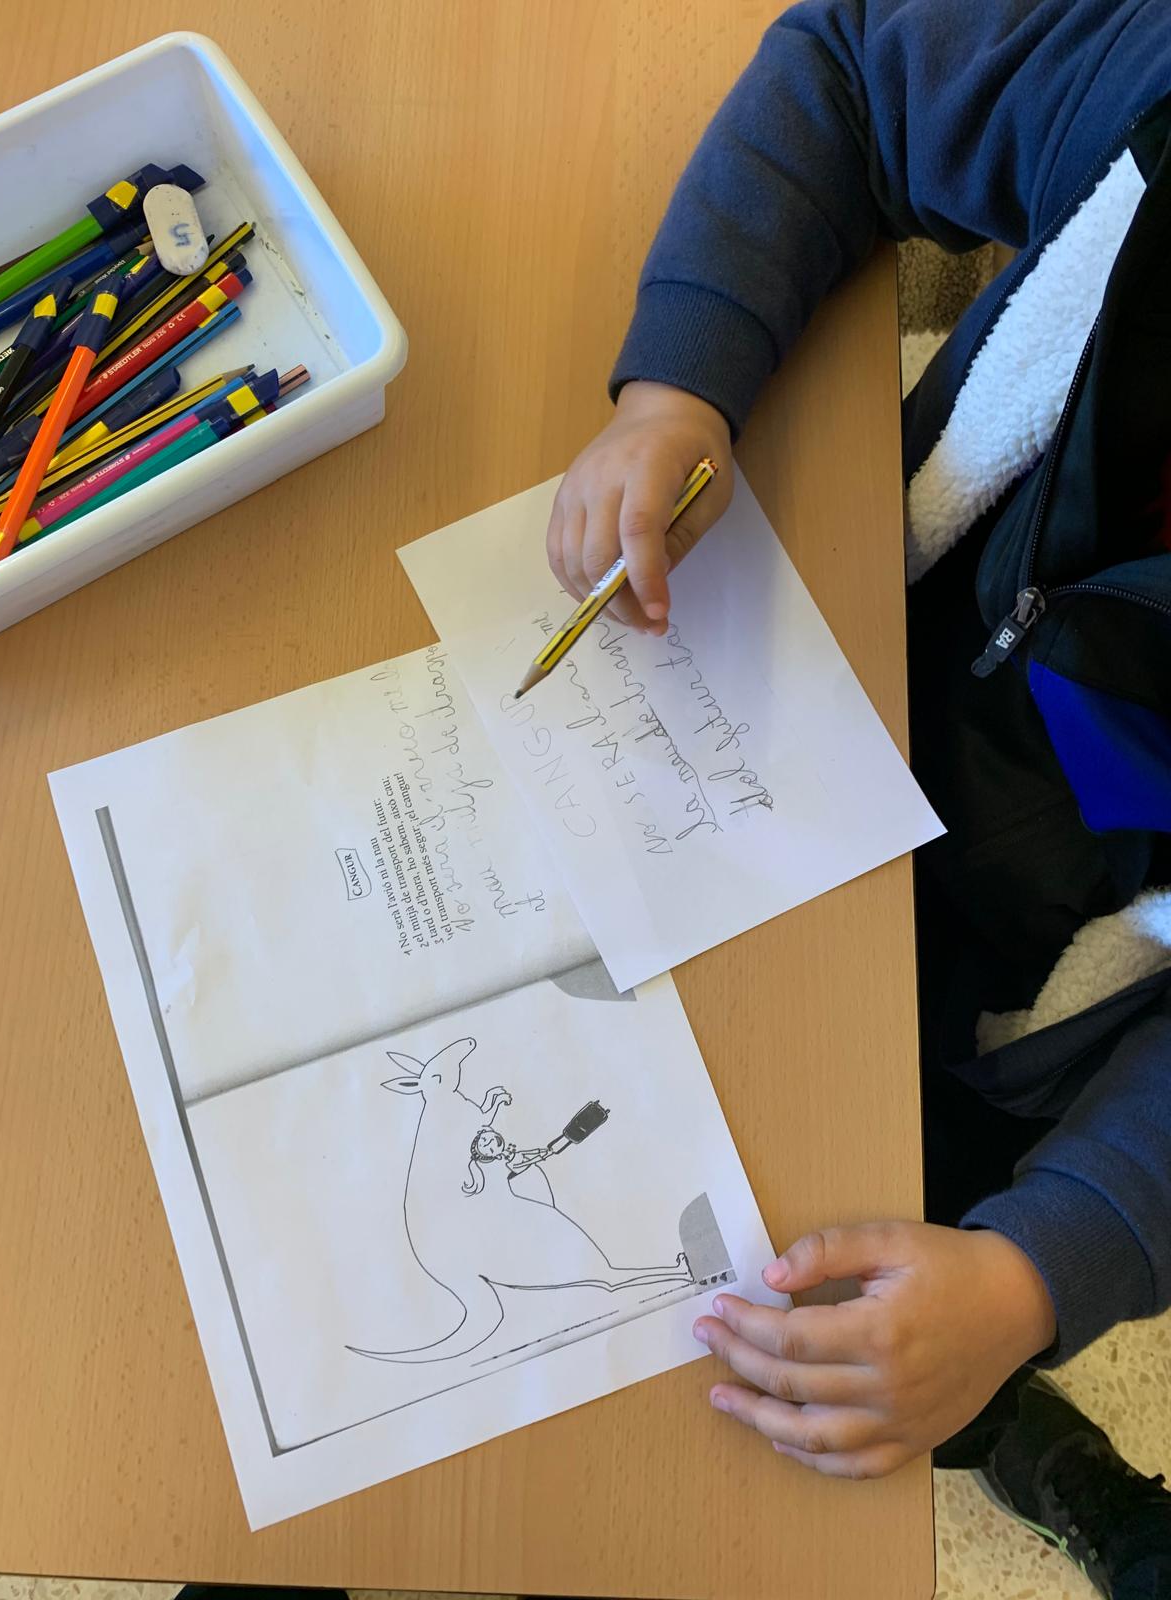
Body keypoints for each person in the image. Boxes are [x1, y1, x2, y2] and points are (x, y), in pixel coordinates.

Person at [546, 1, 1171, 1593]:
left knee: (852, 1307)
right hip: (864, 681)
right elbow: (846, 65)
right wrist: (677, 390)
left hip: (1036, 977)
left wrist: (1041, 1273)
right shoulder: (1146, 80)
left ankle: (1009, 1423)